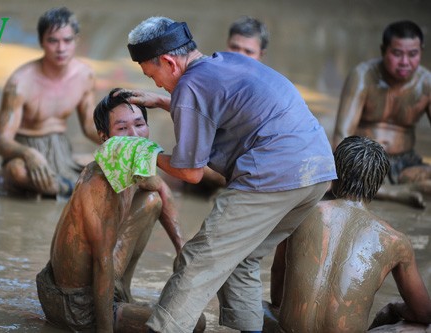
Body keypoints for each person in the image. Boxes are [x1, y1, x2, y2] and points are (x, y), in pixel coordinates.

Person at [124, 16, 337, 333]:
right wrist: (165, 101)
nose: (154, 83)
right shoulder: (226, 62)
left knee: (198, 259)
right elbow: (222, 105)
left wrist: (145, 152)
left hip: (274, 173)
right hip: (317, 171)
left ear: (168, 61)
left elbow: (191, 173)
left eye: (151, 74)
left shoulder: (189, 87)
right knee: (242, 259)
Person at [36, 88, 206, 332]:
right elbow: (102, 262)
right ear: (105, 138)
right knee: (193, 324)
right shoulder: (96, 184)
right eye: (122, 129)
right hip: (75, 303)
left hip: (100, 281)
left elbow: (162, 191)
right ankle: (114, 313)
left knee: (152, 200)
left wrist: (182, 251)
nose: (135, 136)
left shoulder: (131, 162)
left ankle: (122, 295)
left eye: (139, 125)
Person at [265, 136, 431, 332]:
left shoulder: (300, 212)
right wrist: (394, 308)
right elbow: (424, 313)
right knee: (421, 328)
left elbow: (277, 281)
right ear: (377, 186)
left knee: (256, 308)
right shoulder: (395, 241)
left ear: (334, 174)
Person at [0, 7, 101, 198]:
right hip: (26, 150)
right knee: (16, 172)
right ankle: (68, 188)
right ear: (41, 42)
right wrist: (29, 154)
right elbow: (1, 141)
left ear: (76, 41)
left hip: (63, 153)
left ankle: (61, 187)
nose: (61, 48)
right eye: (53, 41)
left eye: (67, 40)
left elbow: (89, 126)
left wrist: (118, 143)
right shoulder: (20, 82)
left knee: (114, 160)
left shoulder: (85, 75)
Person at [332, 20, 431, 209]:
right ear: (383, 50)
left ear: (421, 52)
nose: (405, 62)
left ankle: (390, 189)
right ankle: (394, 193)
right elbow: (341, 137)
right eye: (397, 53)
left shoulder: (426, 84)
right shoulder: (363, 76)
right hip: (364, 162)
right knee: (326, 177)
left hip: (405, 166)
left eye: (412, 54)